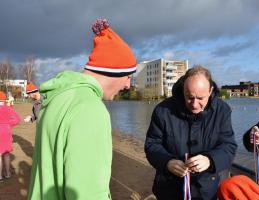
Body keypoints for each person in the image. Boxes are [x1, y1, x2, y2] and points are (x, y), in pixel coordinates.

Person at [28, 18, 137, 200]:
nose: (128, 85)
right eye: (128, 76)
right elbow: (86, 192)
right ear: (114, 71)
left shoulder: (57, 97)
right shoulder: (90, 109)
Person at [144, 66, 237, 200]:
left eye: (200, 98)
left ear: (210, 91)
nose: (194, 104)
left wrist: (210, 160)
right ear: (183, 90)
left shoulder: (222, 110)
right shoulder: (162, 110)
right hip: (168, 189)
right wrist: (167, 162)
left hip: (206, 191)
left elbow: (228, 146)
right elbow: (152, 145)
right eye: (189, 97)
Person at [0, 91, 21, 182]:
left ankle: (0, 176)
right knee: (6, 153)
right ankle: (7, 173)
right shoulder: (8, 108)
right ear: (4, 99)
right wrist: (8, 124)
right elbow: (17, 119)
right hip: (6, 130)